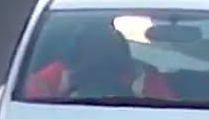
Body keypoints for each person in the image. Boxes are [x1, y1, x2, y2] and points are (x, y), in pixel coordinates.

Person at [23, 21, 176, 100]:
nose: (99, 54)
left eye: (107, 46)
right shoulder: (56, 76)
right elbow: (26, 109)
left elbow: (170, 115)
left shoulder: (144, 78)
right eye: (92, 46)